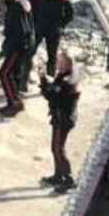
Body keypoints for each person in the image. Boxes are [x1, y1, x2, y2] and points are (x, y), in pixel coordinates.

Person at [39, 52, 81, 194]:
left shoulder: (67, 81)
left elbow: (52, 97)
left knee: (59, 149)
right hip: (60, 118)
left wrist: (43, 80)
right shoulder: (63, 76)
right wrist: (46, 83)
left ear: (66, 64)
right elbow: (52, 93)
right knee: (55, 148)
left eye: (60, 61)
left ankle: (69, 179)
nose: (57, 63)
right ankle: (58, 176)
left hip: (63, 119)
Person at [0, 0, 35, 117]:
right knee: (10, 74)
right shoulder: (18, 0)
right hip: (20, 44)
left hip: (19, 46)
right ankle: (14, 102)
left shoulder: (17, 5)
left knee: (4, 74)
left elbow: (21, 30)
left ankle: (14, 104)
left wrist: (8, 47)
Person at [29, 0, 75, 80]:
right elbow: (70, 12)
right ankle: (50, 79)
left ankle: (24, 80)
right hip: (55, 28)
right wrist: (62, 24)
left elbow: (28, 10)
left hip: (38, 26)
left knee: (29, 52)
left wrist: (32, 23)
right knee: (52, 56)